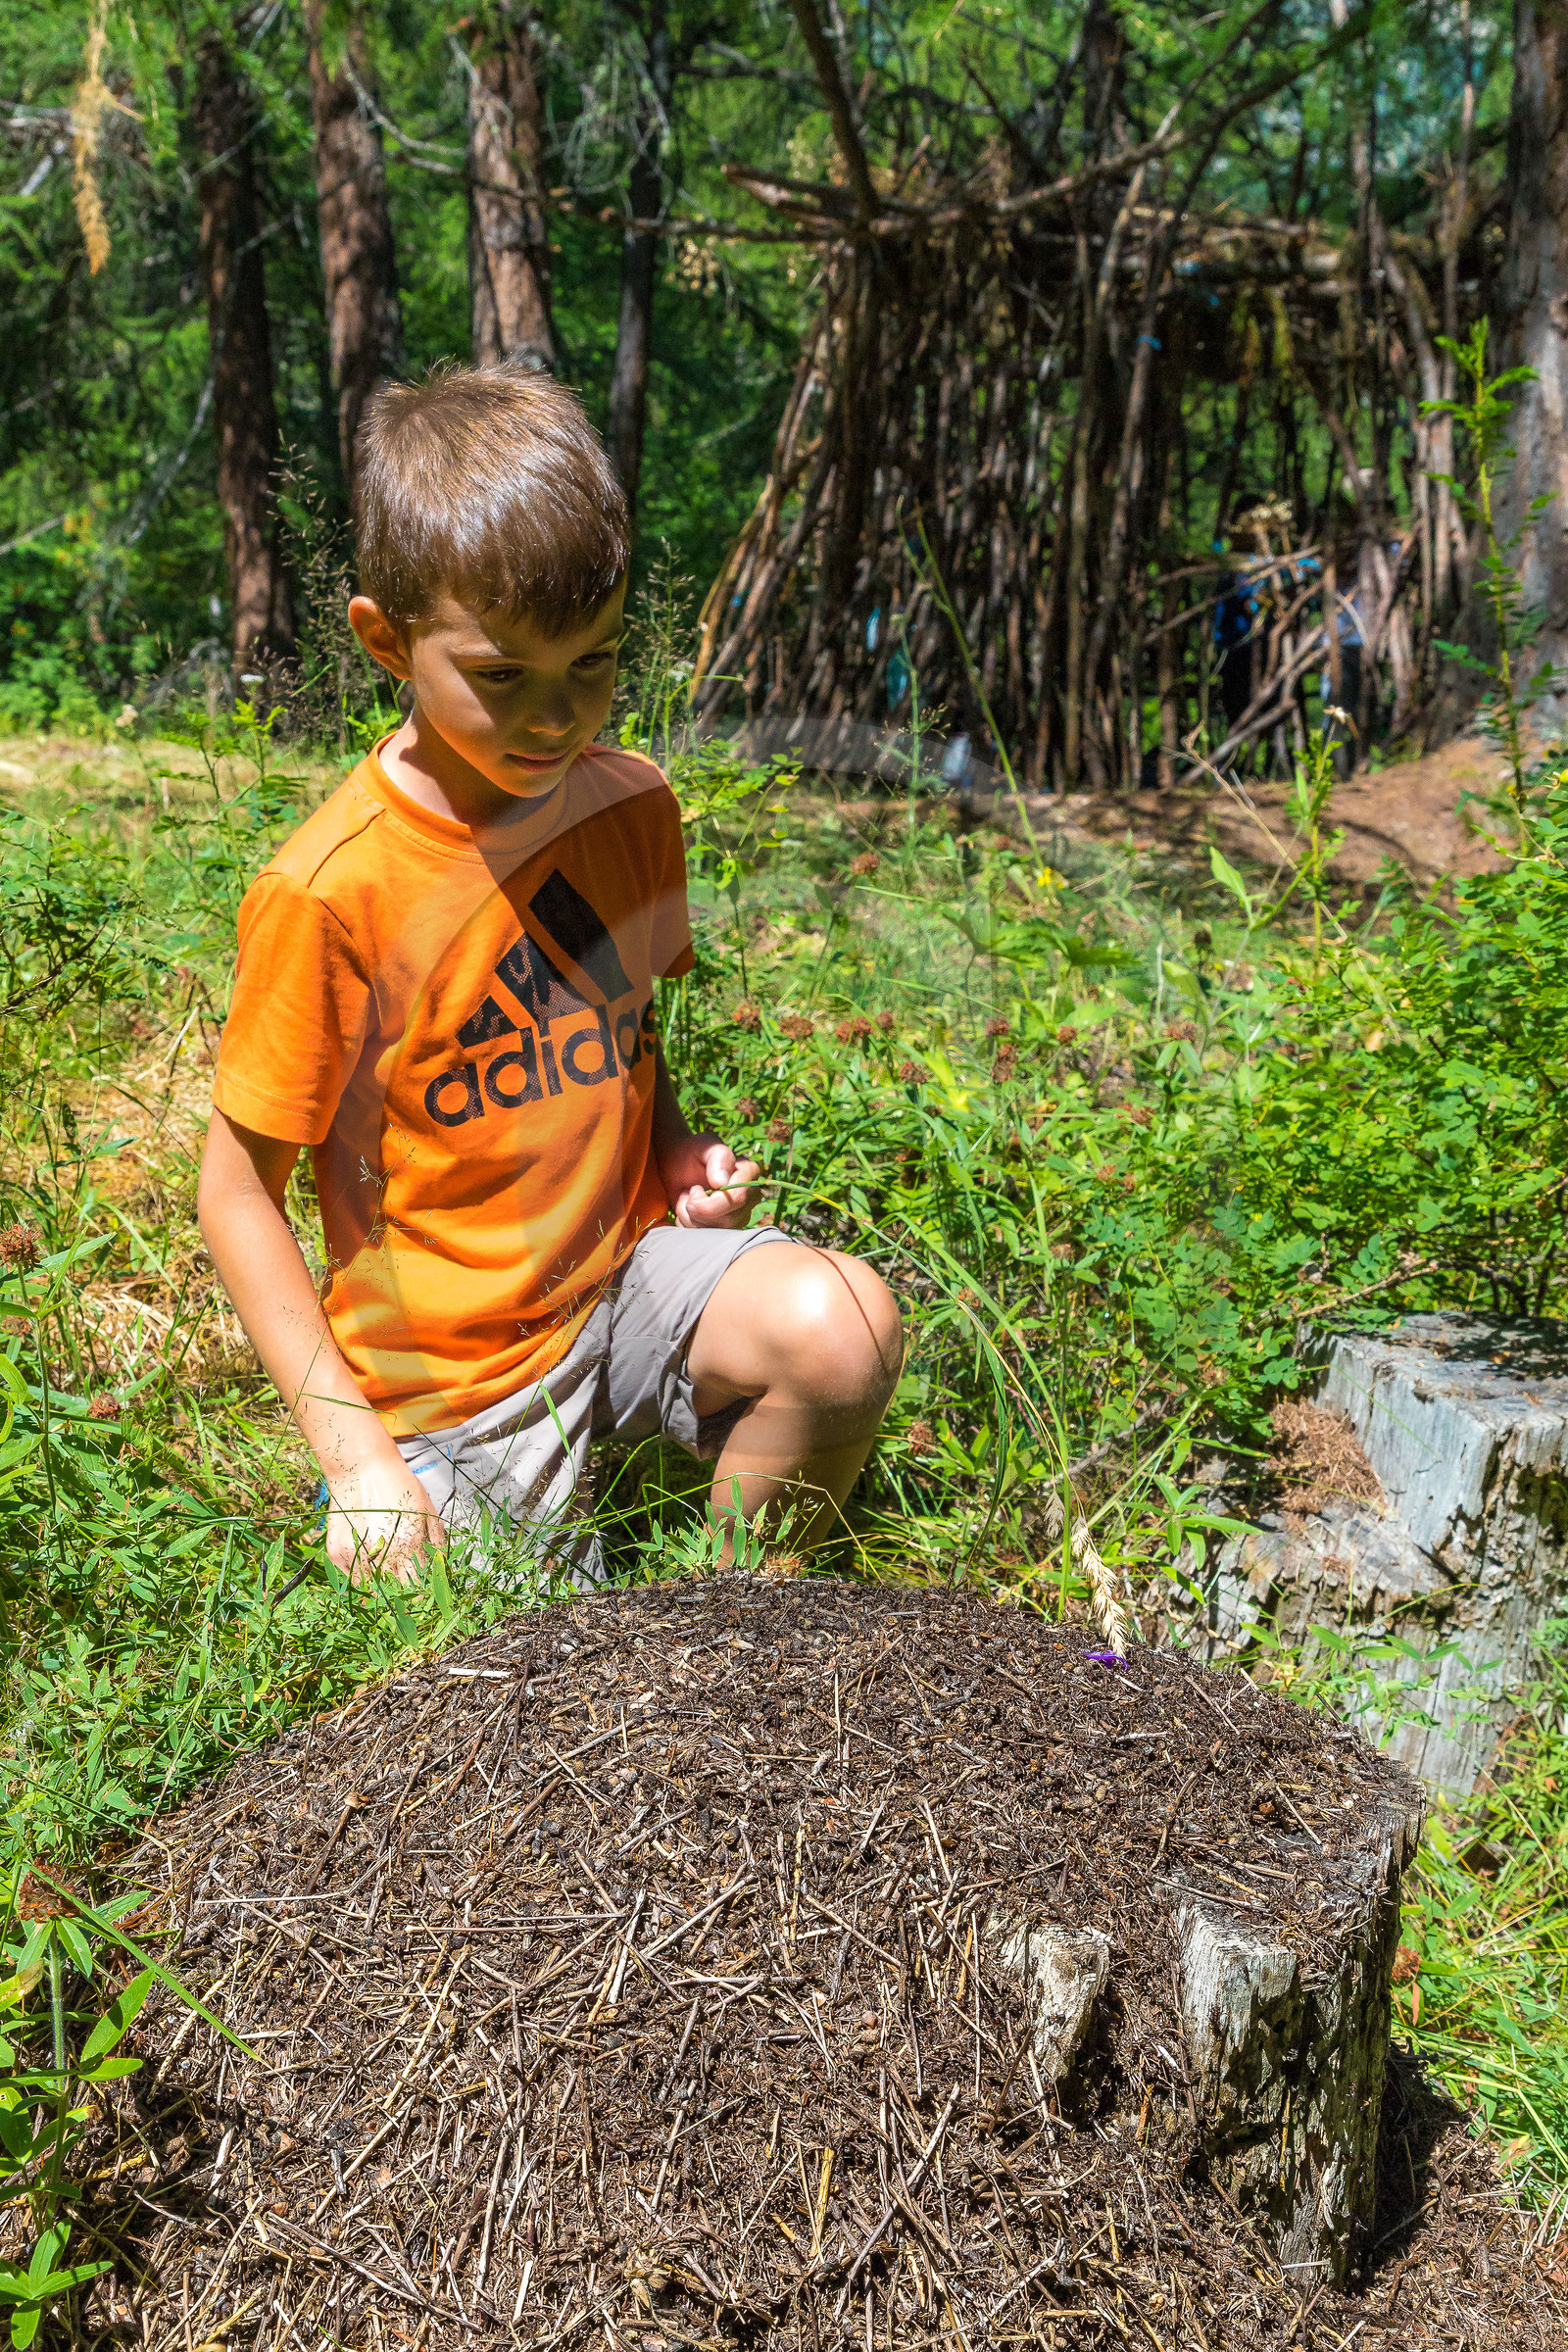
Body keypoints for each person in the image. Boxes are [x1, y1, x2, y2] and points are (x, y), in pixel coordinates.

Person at [197, 365, 903, 1583]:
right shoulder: (334, 890)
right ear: (388, 639)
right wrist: (358, 1460)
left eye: (596, 661)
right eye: (504, 674)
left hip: (621, 1283)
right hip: (448, 1376)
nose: (557, 716)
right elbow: (237, 1195)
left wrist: (673, 1150)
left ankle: (740, 1628)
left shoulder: (631, 806)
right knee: (489, 1677)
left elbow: (621, 1028)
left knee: (843, 1324)